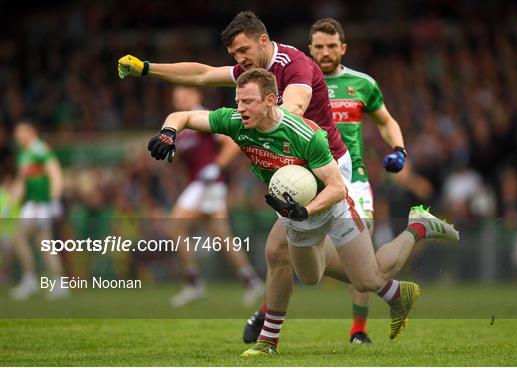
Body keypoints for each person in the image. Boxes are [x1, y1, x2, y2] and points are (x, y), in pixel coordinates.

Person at [146, 69, 459, 355]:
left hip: (331, 206)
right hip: (294, 210)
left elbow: (337, 188)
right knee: (309, 276)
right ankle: (393, 294)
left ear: (271, 100)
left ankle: (418, 225)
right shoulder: (234, 121)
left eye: (249, 102)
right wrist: (168, 133)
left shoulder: (304, 134)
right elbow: (182, 115)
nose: (241, 108)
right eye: (238, 100)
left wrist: (305, 211)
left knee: (366, 280)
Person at [308, 18, 410, 344]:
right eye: (319, 46)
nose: (325, 52)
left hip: (354, 180)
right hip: (312, 180)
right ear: (310, 49)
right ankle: (417, 232)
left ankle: (358, 331)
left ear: (343, 48)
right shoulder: (297, 84)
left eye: (331, 46)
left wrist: (399, 149)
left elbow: (386, 121)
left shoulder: (362, 83)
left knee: (359, 249)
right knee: (302, 255)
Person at [168, 86, 264, 307]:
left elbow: (231, 143)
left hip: (208, 185)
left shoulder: (202, 118)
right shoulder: (183, 126)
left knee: (175, 227)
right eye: (177, 97)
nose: (181, 99)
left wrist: (216, 167)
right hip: (199, 185)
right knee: (221, 235)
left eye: (185, 94)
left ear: (197, 95)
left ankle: (194, 283)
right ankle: (251, 281)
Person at [10, 121, 68, 300]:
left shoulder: (40, 149)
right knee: (44, 243)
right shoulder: (25, 153)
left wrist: (54, 199)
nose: (17, 136)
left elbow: (55, 174)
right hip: (33, 204)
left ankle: (30, 279)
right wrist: (10, 203)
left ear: (31, 132)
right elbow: (22, 181)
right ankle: (59, 282)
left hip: (39, 204)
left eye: (21, 132)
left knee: (19, 238)